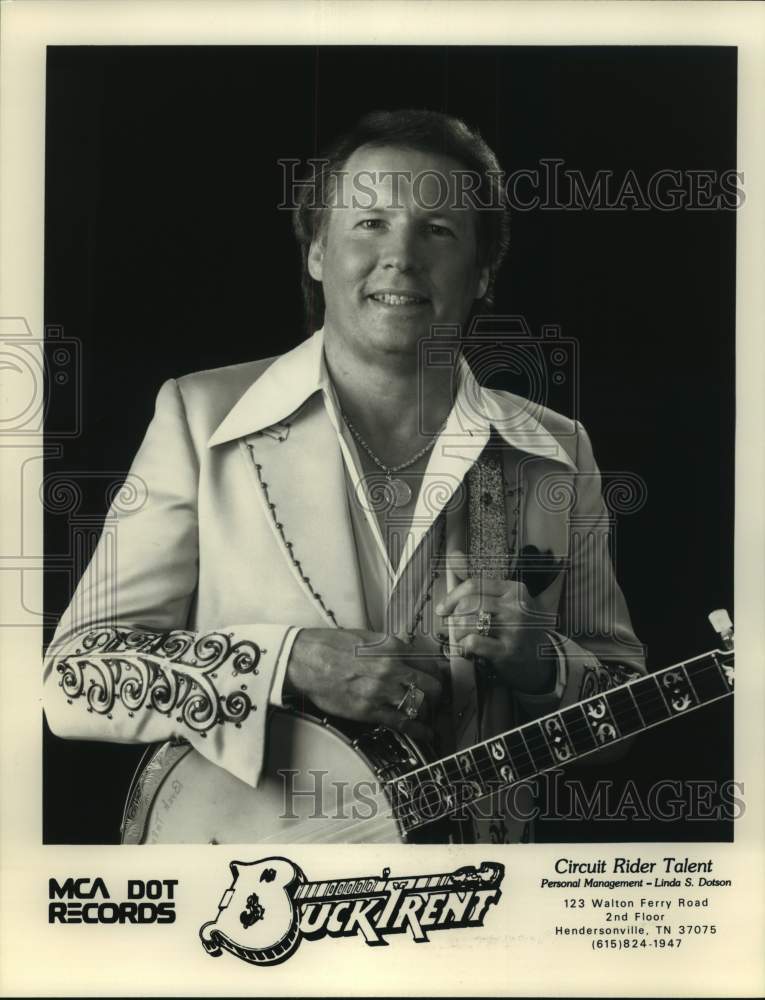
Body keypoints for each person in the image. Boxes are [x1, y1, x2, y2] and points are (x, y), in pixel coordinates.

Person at [44, 109, 645, 844]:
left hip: (470, 897)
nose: (400, 257)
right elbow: (70, 680)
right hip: (254, 888)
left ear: (483, 271)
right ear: (317, 252)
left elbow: (622, 722)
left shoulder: (555, 451)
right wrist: (287, 662)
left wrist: (540, 662)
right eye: (369, 223)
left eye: (438, 230)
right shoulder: (200, 419)